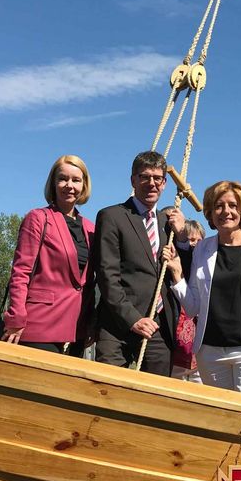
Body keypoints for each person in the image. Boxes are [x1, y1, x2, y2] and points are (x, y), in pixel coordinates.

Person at [163, 180, 241, 394]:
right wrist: (177, 274)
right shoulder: (202, 248)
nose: (225, 211)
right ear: (210, 212)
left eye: (232, 205)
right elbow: (193, 307)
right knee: (218, 416)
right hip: (210, 352)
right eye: (218, 206)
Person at [94, 151, 185, 375]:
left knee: (156, 396)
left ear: (164, 183)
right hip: (118, 324)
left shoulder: (169, 224)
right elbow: (107, 276)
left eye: (157, 178)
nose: (151, 183)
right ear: (133, 180)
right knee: (107, 389)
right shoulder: (113, 216)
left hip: (158, 326)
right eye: (145, 177)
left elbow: (184, 270)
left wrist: (182, 237)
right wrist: (133, 319)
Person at [1, 155, 95, 355]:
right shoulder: (38, 219)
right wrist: (16, 317)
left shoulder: (90, 228)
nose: (69, 185)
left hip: (77, 329)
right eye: (63, 178)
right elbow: (20, 271)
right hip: (39, 326)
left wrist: (90, 323)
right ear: (53, 183)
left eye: (76, 180)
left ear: (84, 185)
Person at [171, 219, 205, 381]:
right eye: (191, 240)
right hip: (177, 341)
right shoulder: (177, 262)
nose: (195, 245)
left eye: (199, 241)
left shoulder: (206, 268)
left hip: (199, 346)